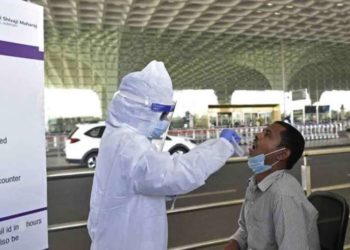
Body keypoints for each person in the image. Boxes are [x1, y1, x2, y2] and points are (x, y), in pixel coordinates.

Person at [87, 60, 241, 250]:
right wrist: (221, 146)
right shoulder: (129, 144)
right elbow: (173, 174)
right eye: (161, 114)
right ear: (140, 109)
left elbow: (147, 182)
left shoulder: (119, 136)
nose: (163, 121)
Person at [224, 121, 320, 250]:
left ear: (282, 154)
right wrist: (233, 245)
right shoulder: (255, 184)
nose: (258, 134)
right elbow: (246, 230)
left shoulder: (283, 195)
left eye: (267, 135)